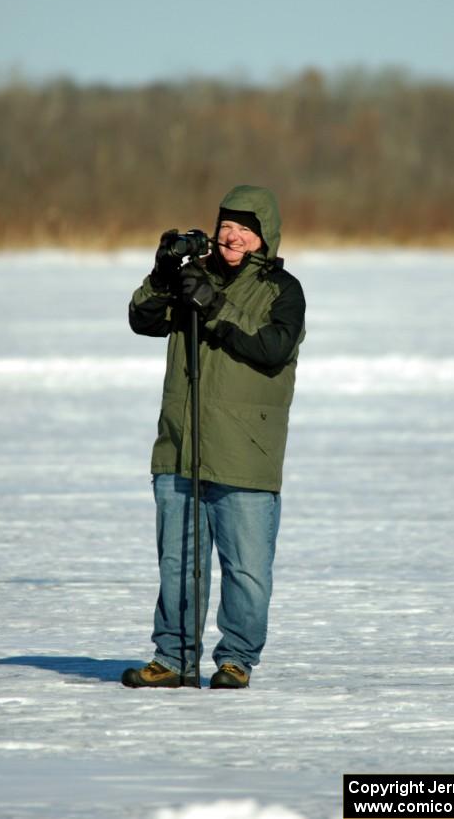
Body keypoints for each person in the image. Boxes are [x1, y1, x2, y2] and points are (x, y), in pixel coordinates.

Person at [121, 185, 305, 689]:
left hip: (247, 450)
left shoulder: (282, 291)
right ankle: (174, 657)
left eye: (244, 229)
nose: (232, 236)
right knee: (179, 563)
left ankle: (236, 660)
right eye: (226, 227)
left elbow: (273, 347)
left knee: (246, 570)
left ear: (263, 238)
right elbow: (141, 320)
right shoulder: (189, 280)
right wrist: (162, 276)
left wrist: (217, 308)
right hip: (182, 444)